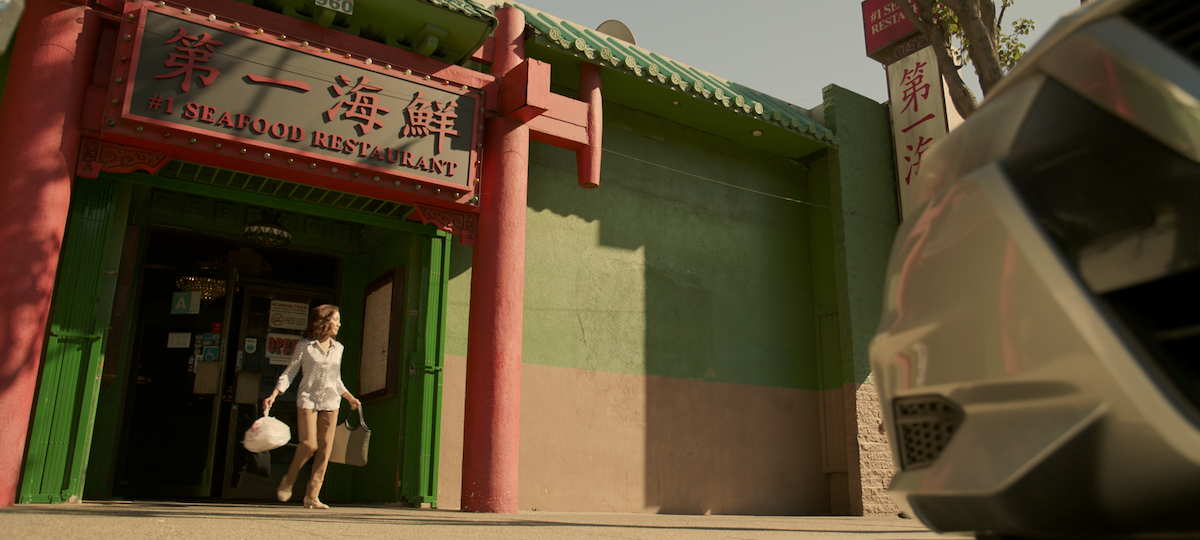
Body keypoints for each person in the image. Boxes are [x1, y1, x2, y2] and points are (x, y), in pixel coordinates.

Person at [263, 304, 360, 509]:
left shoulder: (338, 348)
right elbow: (290, 372)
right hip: (307, 399)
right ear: (325, 321)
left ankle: (312, 496)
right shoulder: (305, 346)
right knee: (309, 444)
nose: (339, 324)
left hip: (331, 402)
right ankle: (288, 481)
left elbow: (337, 380)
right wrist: (275, 393)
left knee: (325, 449)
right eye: (336, 319)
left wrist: (349, 398)